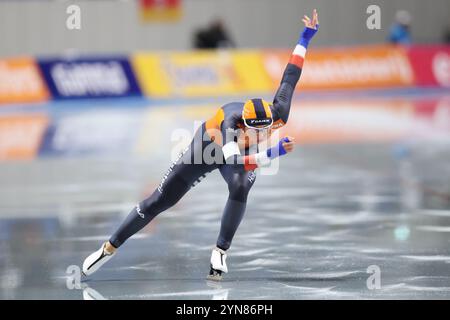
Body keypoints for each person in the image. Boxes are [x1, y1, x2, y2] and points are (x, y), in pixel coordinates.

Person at [82, 9, 319, 281]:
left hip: (237, 152)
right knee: (160, 200)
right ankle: (109, 247)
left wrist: (305, 37)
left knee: (241, 185)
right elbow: (241, 161)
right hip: (209, 146)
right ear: (244, 124)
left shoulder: (279, 113)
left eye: (266, 130)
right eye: (256, 131)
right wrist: (276, 151)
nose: (261, 134)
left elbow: (290, 76)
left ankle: (220, 251)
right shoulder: (230, 124)